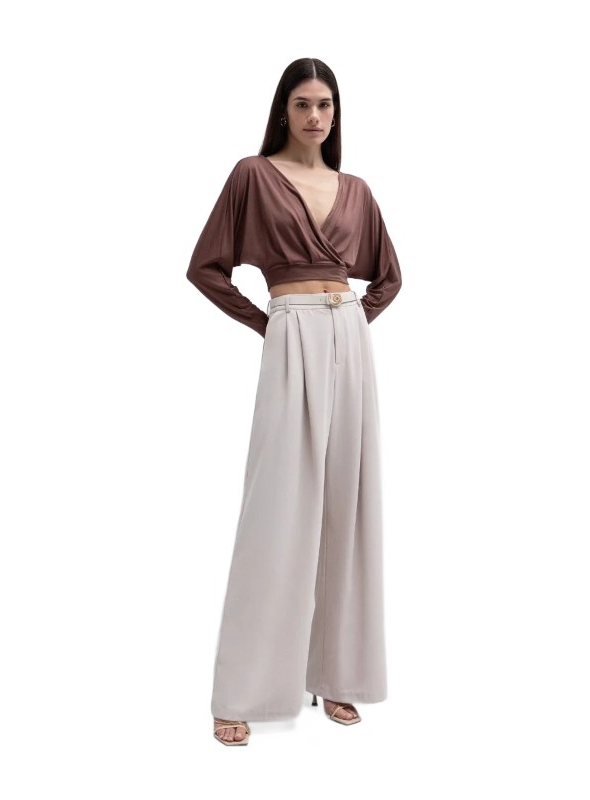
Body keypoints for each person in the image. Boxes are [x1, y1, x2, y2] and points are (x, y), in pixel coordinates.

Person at [186, 57, 402, 746]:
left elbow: (389, 277)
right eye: (303, 104)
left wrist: (349, 321)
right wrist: (270, 323)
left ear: (336, 114)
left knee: (349, 507)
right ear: (284, 109)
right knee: (277, 511)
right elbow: (204, 267)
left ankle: (337, 676)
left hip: (349, 336)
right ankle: (242, 690)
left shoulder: (356, 189)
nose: (315, 116)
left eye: (325, 105)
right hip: (291, 331)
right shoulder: (252, 175)